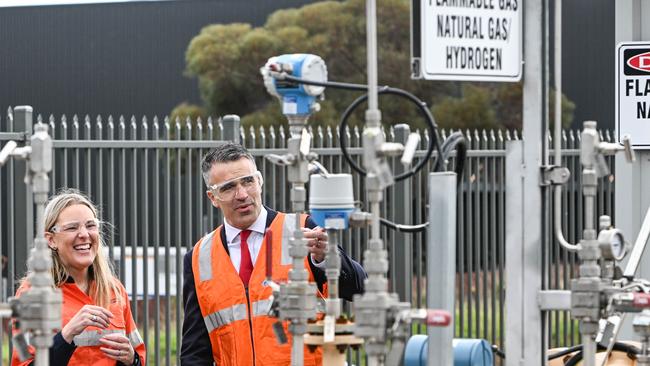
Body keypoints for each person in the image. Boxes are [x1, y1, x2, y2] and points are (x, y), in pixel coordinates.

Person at [181, 142, 366, 365]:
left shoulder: (304, 228)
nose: (242, 194)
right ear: (213, 197)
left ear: (259, 181)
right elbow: (195, 348)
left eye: (248, 181)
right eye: (228, 187)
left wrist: (327, 259)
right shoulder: (199, 257)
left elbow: (360, 287)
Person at [11, 189, 146, 366]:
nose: (84, 234)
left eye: (90, 225)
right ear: (51, 240)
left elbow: (139, 359)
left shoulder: (115, 290)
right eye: (72, 227)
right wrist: (66, 335)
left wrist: (132, 359)